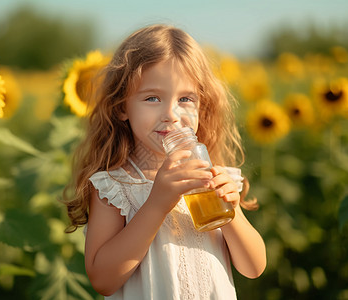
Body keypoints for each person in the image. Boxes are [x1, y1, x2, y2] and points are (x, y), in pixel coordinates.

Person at [63, 24, 266, 299]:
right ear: (122, 106)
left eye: (185, 99)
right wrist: (157, 203)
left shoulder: (214, 177)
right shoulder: (116, 187)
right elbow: (103, 279)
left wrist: (232, 214)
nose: (171, 114)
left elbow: (254, 267)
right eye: (152, 98)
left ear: (202, 106)